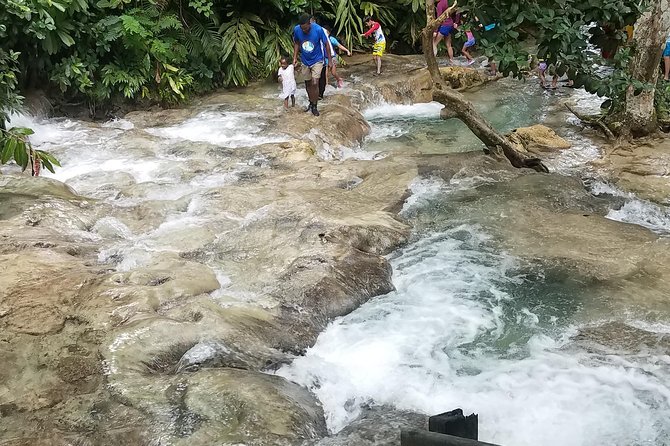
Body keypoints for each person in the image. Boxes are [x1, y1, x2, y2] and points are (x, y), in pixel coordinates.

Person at [293, 13, 333, 116]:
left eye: (306, 29)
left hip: (317, 60)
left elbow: (326, 44)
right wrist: (294, 58)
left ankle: (315, 106)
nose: (304, 31)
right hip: (305, 60)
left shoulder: (318, 29)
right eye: (302, 29)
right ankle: (311, 103)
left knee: (315, 82)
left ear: (309, 23)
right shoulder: (297, 29)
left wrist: (330, 60)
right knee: (307, 83)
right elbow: (297, 43)